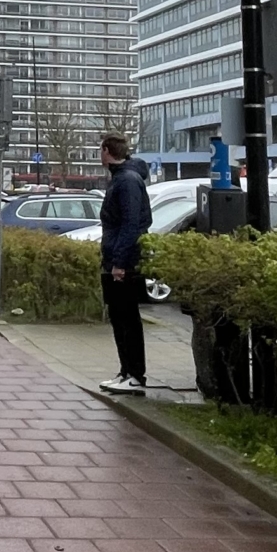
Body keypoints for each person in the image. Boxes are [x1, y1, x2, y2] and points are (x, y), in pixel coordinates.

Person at [96, 134, 151, 395]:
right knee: (119, 318)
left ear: (107, 151)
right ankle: (126, 371)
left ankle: (135, 375)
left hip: (124, 263)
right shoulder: (121, 178)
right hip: (115, 259)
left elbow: (131, 224)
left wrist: (119, 262)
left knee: (127, 318)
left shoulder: (127, 181)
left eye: (101, 150)